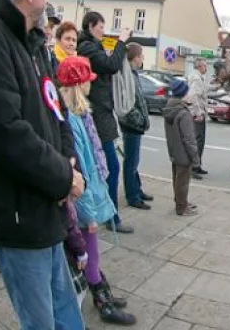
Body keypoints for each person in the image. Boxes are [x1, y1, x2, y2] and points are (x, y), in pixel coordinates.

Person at [0, 0, 85, 330]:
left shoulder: (33, 44)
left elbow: (56, 110)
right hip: (19, 217)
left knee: (68, 318)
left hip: (48, 211)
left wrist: (70, 165)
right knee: (41, 322)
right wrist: (62, 176)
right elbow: (6, 133)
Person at [57, 56, 137, 325]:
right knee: (87, 254)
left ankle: (102, 293)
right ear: (79, 85)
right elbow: (81, 172)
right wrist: (89, 215)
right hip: (82, 203)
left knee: (90, 253)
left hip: (87, 198)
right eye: (88, 81)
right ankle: (102, 303)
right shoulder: (72, 120)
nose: (92, 85)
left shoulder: (79, 116)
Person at [77, 11, 134, 234]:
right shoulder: (88, 47)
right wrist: (121, 41)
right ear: (91, 26)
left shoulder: (91, 46)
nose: (103, 30)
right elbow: (111, 65)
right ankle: (111, 217)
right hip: (99, 114)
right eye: (101, 26)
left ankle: (108, 215)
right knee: (110, 166)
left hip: (103, 113)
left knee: (107, 166)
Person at [118, 43, 153, 210]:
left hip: (135, 126)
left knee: (134, 160)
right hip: (131, 125)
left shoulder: (133, 74)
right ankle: (132, 196)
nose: (142, 59)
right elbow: (128, 104)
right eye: (141, 55)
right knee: (131, 161)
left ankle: (137, 190)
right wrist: (139, 120)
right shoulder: (127, 75)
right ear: (135, 57)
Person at [163, 79, 199, 217]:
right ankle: (182, 208)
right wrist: (195, 158)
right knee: (183, 181)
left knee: (177, 179)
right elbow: (189, 139)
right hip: (184, 154)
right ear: (183, 94)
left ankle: (180, 201)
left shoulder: (170, 108)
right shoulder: (183, 113)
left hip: (174, 151)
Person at [186, 59, 211, 177]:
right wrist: (198, 113)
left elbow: (204, 90)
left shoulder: (199, 77)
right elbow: (193, 96)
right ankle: (194, 167)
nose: (206, 68)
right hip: (197, 116)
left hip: (198, 114)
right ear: (200, 66)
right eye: (205, 66)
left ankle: (197, 165)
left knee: (199, 141)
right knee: (197, 141)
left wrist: (217, 86)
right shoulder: (196, 78)